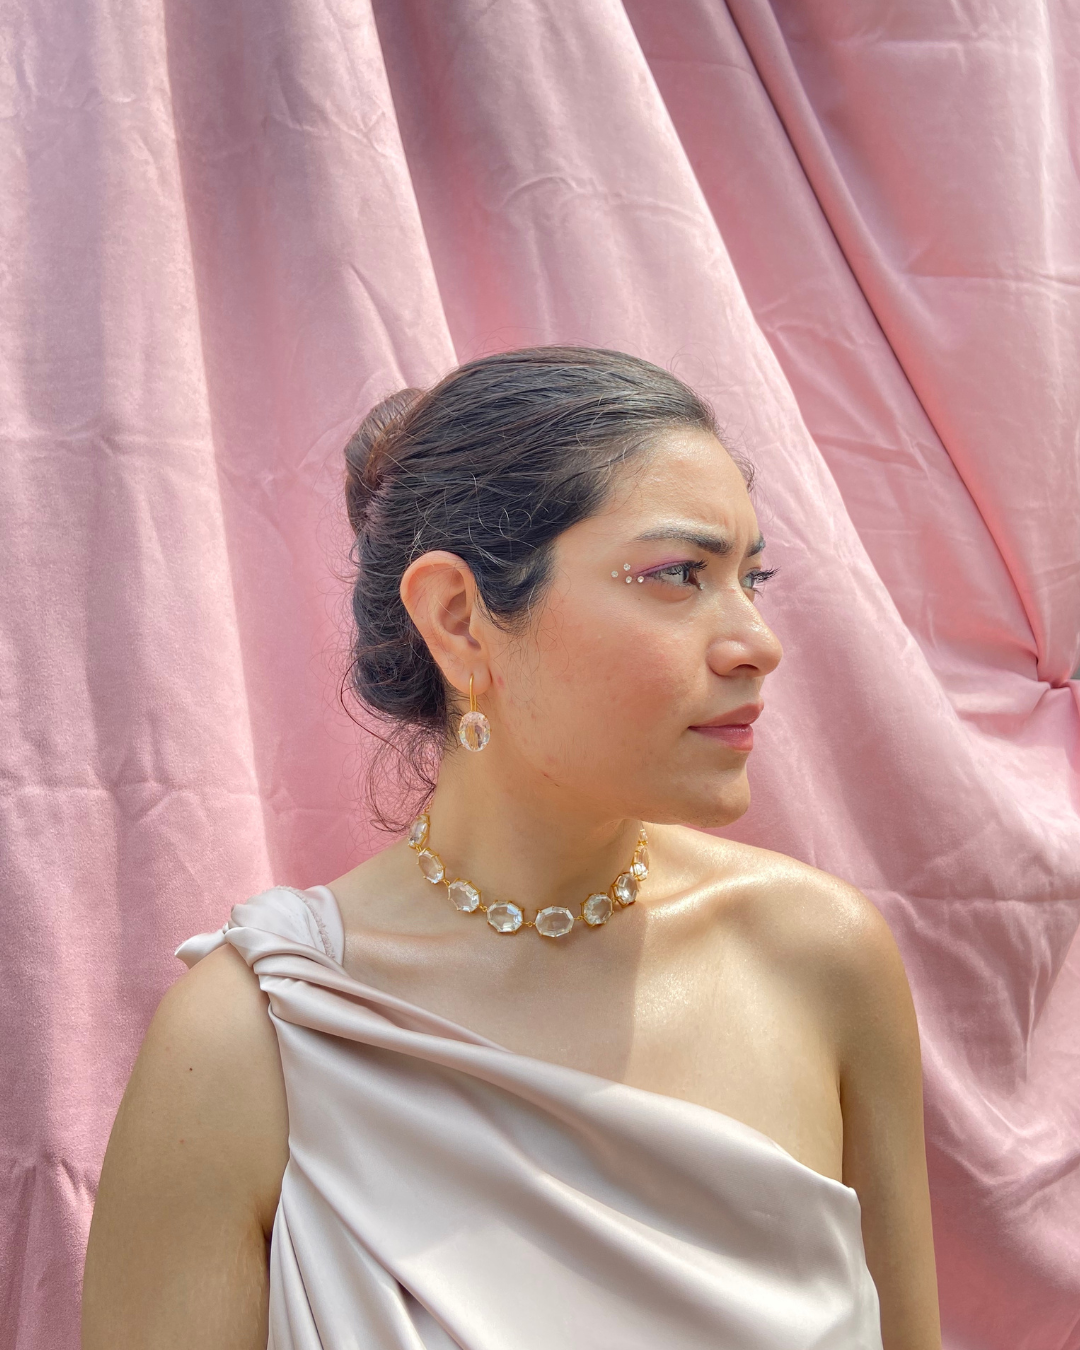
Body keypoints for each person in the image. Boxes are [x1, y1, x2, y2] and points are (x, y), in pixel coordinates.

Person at [82, 347, 941, 1349]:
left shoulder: (820, 959)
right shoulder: (254, 1040)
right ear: (459, 620)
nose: (757, 642)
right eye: (679, 575)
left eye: (750, 578)